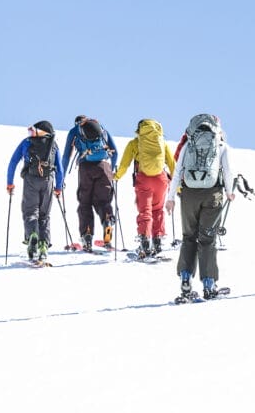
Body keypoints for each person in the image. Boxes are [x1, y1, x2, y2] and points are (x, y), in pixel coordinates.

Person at [165, 114, 235, 301]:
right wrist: (229, 192)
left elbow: (178, 171)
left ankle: (186, 279)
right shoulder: (221, 146)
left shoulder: (189, 144)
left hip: (189, 195)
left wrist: (170, 198)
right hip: (212, 195)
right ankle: (209, 283)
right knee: (207, 239)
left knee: (189, 237)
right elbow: (228, 171)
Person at [114, 118, 177, 259]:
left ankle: (145, 243)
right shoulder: (162, 143)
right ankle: (158, 241)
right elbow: (173, 165)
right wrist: (177, 187)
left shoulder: (134, 144)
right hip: (161, 180)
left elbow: (124, 164)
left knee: (145, 211)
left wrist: (116, 176)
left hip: (144, 179)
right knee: (157, 210)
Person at [6, 121, 65, 263]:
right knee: (44, 215)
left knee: (30, 212)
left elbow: (13, 162)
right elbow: (60, 168)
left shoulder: (26, 143)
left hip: (30, 180)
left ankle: (32, 234)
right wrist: (58, 187)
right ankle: (43, 245)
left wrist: (10, 183)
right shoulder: (53, 145)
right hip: (48, 181)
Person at [61, 115, 119, 252]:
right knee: (104, 202)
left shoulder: (75, 131)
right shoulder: (101, 127)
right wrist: (112, 169)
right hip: (104, 167)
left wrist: (61, 178)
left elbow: (66, 156)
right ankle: (107, 224)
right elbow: (114, 152)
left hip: (85, 167)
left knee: (85, 202)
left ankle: (87, 237)